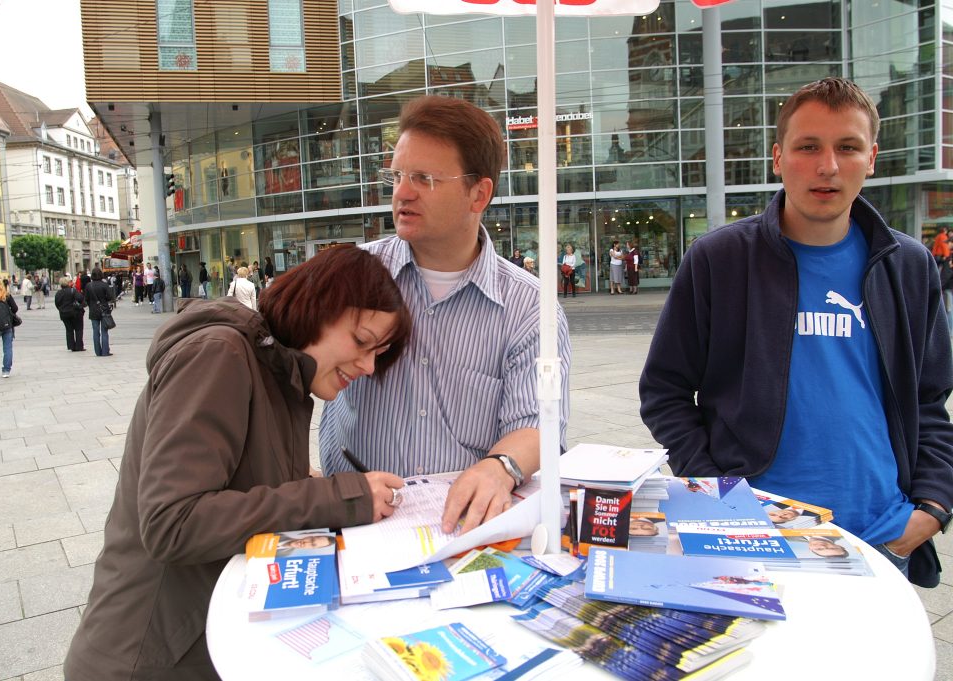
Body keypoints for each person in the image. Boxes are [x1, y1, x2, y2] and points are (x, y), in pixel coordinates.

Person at [639, 78, 953, 588]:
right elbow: (664, 392)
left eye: (847, 147)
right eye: (808, 146)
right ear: (778, 157)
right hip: (750, 531)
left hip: (880, 533)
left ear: (870, 158)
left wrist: (933, 506)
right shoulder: (719, 260)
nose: (827, 166)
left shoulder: (908, 266)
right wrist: (718, 493)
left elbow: (931, 399)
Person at [63, 246, 413, 680]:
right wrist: (336, 497)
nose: (366, 365)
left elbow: (239, 482)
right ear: (316, 307)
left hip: (206, 645)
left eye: (378, 352)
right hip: (148, 659)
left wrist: (308, 480)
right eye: (362, 342)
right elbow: (173, 521)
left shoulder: (280, 373)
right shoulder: (220, 353)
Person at [319, 95, 572, 536]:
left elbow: (537, 424)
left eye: (424, 178)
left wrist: (500, 468)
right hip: (357, 515)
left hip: (461, 524)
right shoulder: (352, 277)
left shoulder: (529, 308)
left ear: (479, 193)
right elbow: (284, 368)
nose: (402, 192)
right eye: (397, 175)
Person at [85, 267, 116, 357]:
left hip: (93, 311)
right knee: (104, 331)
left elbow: (86, 298)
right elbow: (110, 297)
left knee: (95, 331)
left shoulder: (88, 285)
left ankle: (97, 351)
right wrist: (103, 300)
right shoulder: (104, 285)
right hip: (104, 310)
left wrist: (91, 304)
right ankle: (105, 351)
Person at [55, 277, 86, 352]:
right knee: (78, 329)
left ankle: (71, 346)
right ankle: (79, 346)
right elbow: (81, 298)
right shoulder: (73, 290)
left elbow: (57, 304)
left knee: (69, 330)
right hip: (75, 313)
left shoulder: (58, 293)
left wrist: (62, 309)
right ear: (68, 283)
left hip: (64, 314)